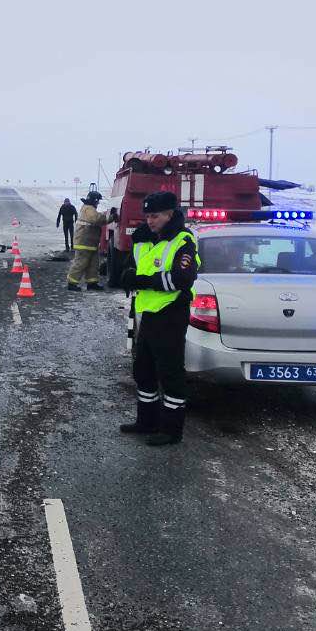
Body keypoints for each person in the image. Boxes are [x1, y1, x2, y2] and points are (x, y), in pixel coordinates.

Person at [118, 191, 199, 445]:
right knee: (143, 369)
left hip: (172, 313)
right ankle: (147, 421)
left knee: (170, 373)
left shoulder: (183, 241)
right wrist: (127, 273)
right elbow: (136, 266)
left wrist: (142, 281)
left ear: (170, 214)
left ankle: (171, 430)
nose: (150, 221)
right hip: (149, 313)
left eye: (155, 216)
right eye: (148, 216)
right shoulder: (147, 239)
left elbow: (181, 279)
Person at [67, 189, 109, 291]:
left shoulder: (89, 209)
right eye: (97, 201)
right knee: (80, 263)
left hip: (90, 243)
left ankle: (92, 283)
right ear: (94, 200)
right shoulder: (88, 209)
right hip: (84, 243)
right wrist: (110, 217)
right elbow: (96, 219)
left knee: (93, 264)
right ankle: (72, 283)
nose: (98, 203)